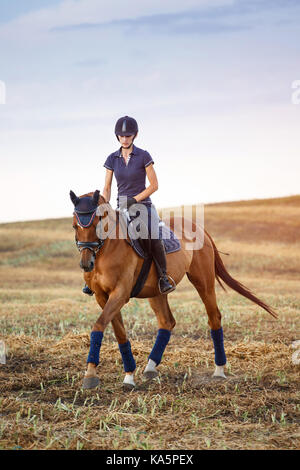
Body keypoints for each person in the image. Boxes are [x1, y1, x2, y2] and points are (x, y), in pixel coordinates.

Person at [83, 115, 176, 296]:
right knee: (96, 234)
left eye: (128, 136)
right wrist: (103, 205)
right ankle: (91, 279)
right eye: (121, 136)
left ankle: (163, 277)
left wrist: (136, 199)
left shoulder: (143, 156)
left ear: (135, 135)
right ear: (117, 136)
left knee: (151, 235)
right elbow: (108, 187)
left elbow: (154, 185)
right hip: (121, 208)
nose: (125, 139)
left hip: (143, 206)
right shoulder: (112, 159)